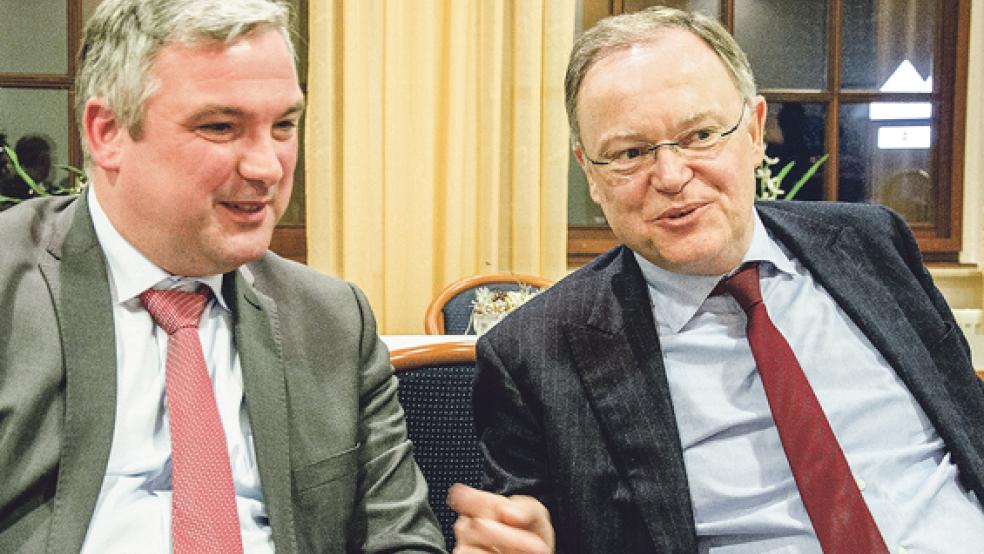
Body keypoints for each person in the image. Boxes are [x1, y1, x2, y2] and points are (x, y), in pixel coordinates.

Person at [449, 6, 984, 553]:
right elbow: (525, 526)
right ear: (590, 172)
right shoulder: (534, 354)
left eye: (700, 134)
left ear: (753, 132)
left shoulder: (874, 243)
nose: (673, 176)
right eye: (630, 153)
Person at [0, 0, 444, 552]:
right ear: (107, 131)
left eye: (283, 125)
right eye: (220, 126)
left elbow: (399, 539)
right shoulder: (9, 287)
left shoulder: (331, 319)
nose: (267, 167)